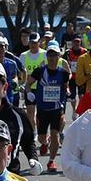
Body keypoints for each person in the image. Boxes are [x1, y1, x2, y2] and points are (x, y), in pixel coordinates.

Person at [27, 42, 70, 173]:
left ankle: (51, 161)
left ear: (59, 57)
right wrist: (29, 93)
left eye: (55, 55)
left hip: (57, 108)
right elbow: (28, 83)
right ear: (47, 56)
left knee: (55, 134)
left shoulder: (63, 73)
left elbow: (66, 85)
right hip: (42, 109)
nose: (52, 58)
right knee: (41, 138)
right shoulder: (40, 71)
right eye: (50, 55)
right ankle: (45, 143)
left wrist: (67, 91)